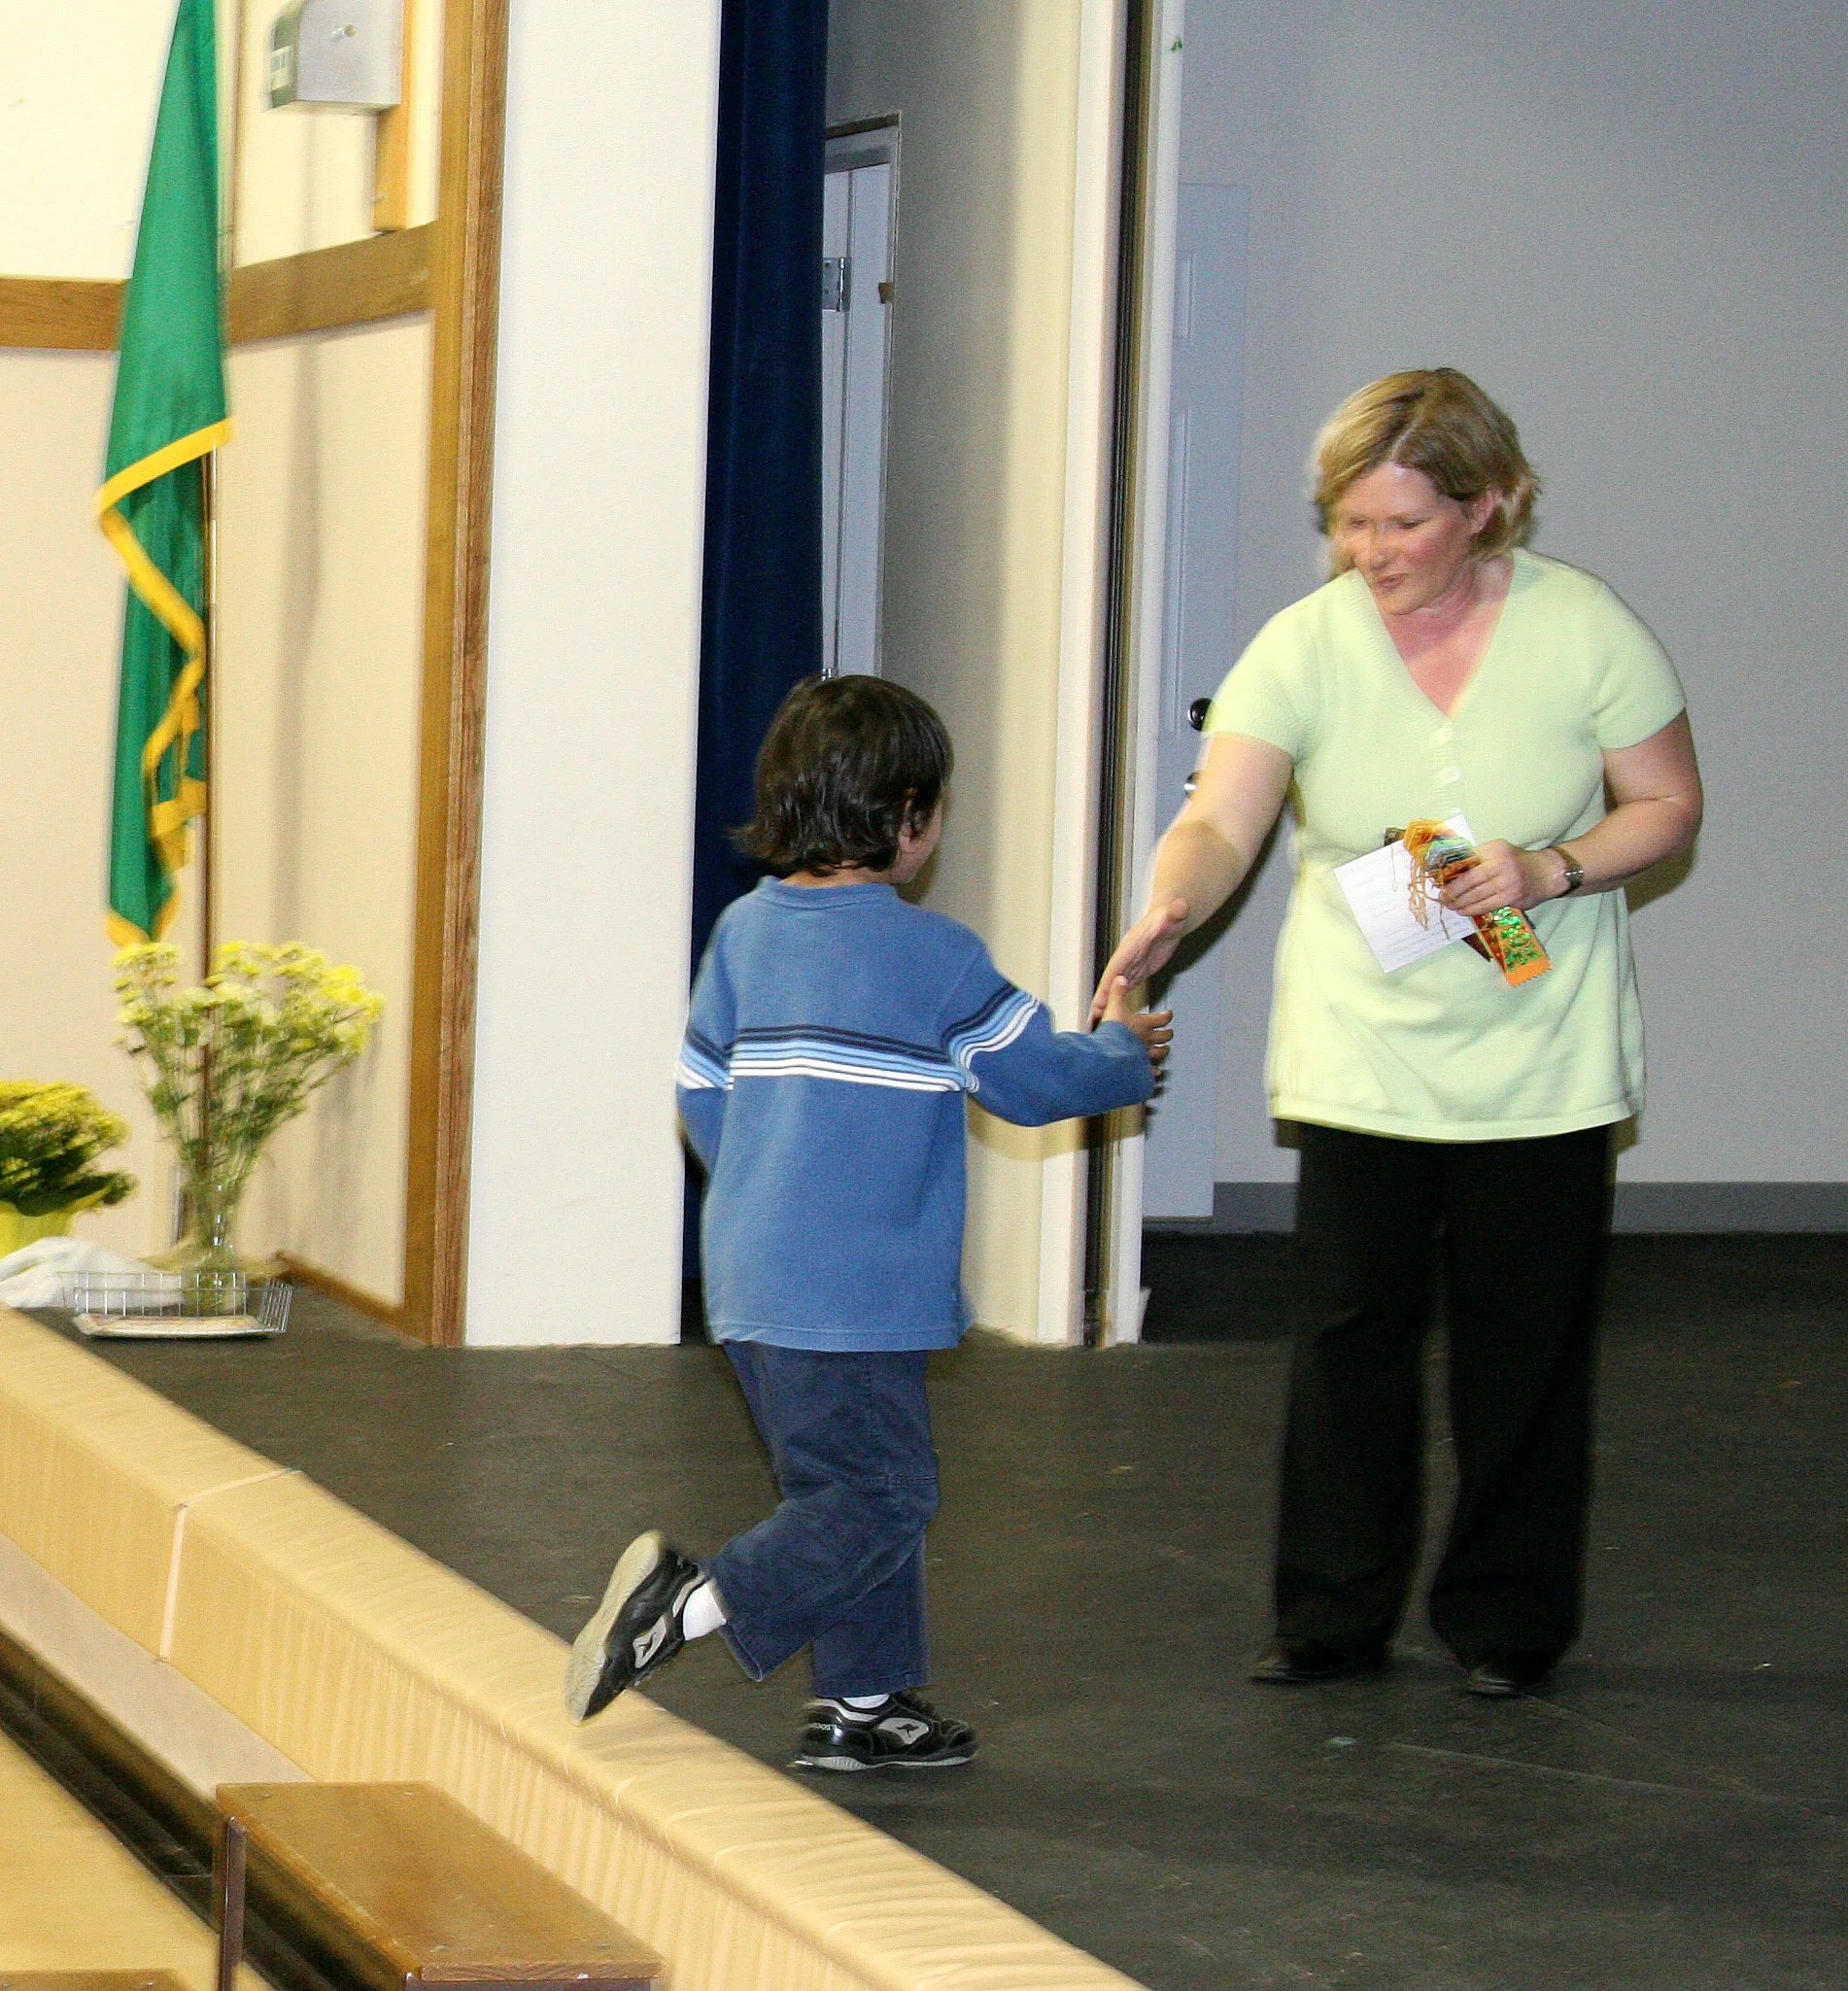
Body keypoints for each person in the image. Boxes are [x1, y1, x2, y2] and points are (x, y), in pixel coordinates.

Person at [1096, 368, 1702, 1697]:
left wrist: (1551, 868)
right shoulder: (1301, 642)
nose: (1367, 553)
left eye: (1400, 526)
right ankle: (1327, 1612)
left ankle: (1504, 1622)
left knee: (1523, 1348)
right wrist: (1165, 905)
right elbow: (1224, 815)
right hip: (1358, 1046)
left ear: (1488, 506)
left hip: (1542, 1056)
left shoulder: (1584, 627)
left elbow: (1664, 804)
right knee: (1347, 1338)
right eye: (1348, 524)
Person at [567, 673, 1171, 1767]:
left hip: (753, 1280)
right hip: (862, 1291)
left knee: (839, 1489)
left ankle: (866, 1705)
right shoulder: (933, 958)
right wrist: (1125, 1050)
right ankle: (690, 1604)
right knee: (886, 1494)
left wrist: (769, 1188)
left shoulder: (748, 933)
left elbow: (703, 1094)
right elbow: (1032, 1081)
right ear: (909, 820)